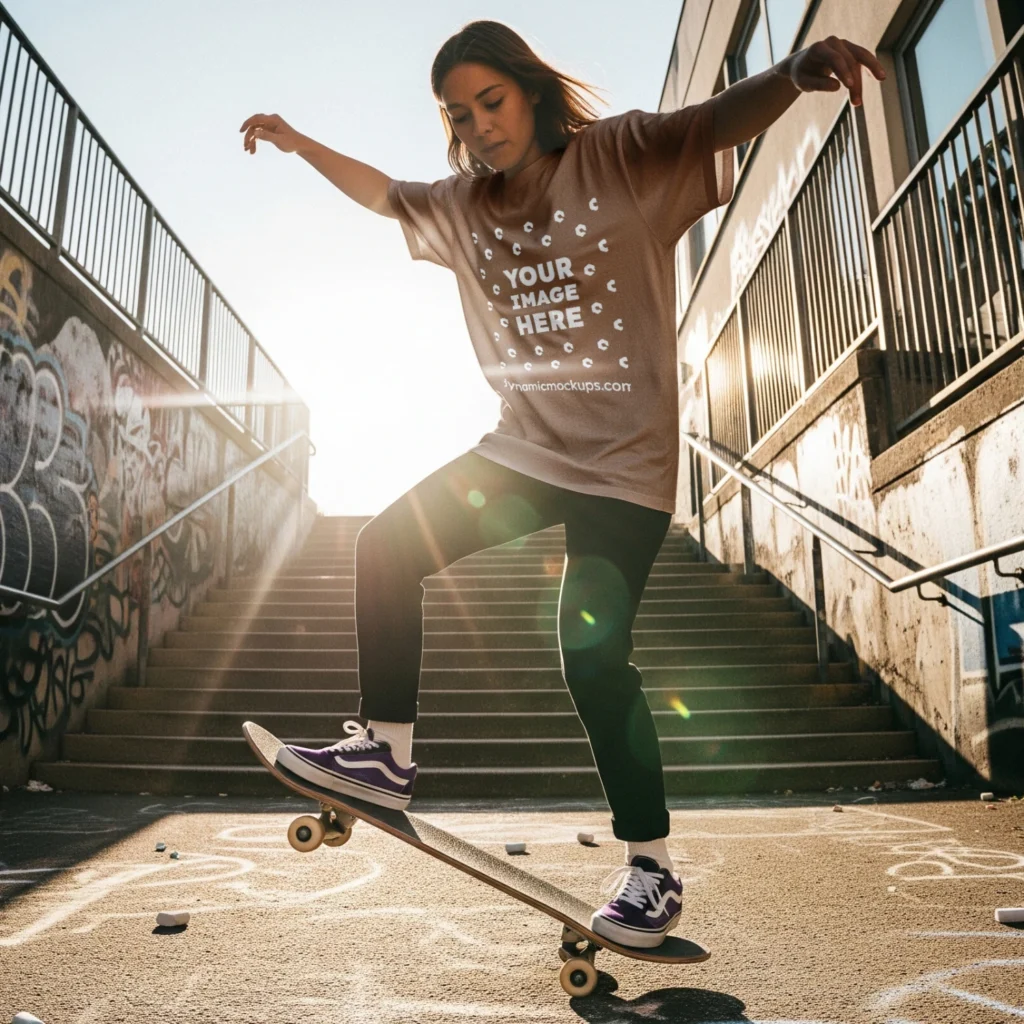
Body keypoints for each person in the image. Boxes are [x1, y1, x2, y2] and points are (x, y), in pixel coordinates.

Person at [240, 20, 884, 949]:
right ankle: (385, 756)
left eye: (490, 103)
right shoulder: (464, 204)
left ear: (532, 91)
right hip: (526, 452)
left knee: (591, 659)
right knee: (386, 544)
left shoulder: (618, 155)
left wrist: (788, 73)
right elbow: (385, 195)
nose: (478, 128)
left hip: (626, 468)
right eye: (457, 116)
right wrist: (301, 146)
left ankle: (652, 871)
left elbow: (709, 124)